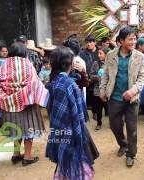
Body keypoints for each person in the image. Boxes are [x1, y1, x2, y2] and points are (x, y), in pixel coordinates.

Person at [46, 47, 98, 180]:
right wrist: (78, 133)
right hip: (72, 130)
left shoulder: (53, 81)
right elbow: (77, 113)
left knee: (65, 161)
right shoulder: (69, 84)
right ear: (68, 64)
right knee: (75, 162)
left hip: (59, 128)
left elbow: (53, 109)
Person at [0, 42, 49, 166]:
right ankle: (27, 157)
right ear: (24, 53)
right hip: (27, 103)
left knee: (16, 129)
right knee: (28, 129)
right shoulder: (27, 64)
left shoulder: (4, 65)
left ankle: (16, 154)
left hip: (10, 105)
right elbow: (34, 82)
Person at [99, 27, 144, 167]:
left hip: (132, 99)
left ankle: (131, 153)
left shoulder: (139, 56)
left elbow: (142, 77)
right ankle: (123, 144)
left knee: (132, 128)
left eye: (134, 39)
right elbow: (106, 74)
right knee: (115, 125)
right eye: (130, 39)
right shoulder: (111, 55)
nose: (133, 41)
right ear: (121, 41)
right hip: (114, 98)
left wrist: (133, 90)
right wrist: (103, 90)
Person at [79, 35, 99, 120]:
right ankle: (86, 113)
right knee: (87, 95)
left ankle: (95, 112)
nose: (88, 44)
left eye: (90, 42)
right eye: (87, 42)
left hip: (97, 77)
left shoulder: (99, 52)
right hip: (86, 77)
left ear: (95, 42)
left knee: (96, 96)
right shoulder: (82, 53)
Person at [90, 48, 110, 131]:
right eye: (98, 53)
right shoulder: (95, 64)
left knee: (109, 108)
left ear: (106, 55)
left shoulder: (110, 64)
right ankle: (99, 123)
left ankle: (112, 123)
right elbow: (91, 75)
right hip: (98, 90)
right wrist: (98, 77)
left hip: (108, 90)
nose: (98, 55)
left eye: (100, 53)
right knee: (98, 108)